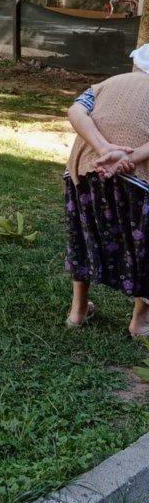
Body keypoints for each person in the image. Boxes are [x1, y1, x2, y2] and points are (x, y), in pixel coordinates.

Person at [64, 43, 149, 337]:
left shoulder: (105, 84)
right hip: (138, 181)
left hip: (85, 171)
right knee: (144, 248)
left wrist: (103, 148)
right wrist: (128, 157)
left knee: (83, 236)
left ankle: (77, 312)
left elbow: (75, 111)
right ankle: (140, 323)